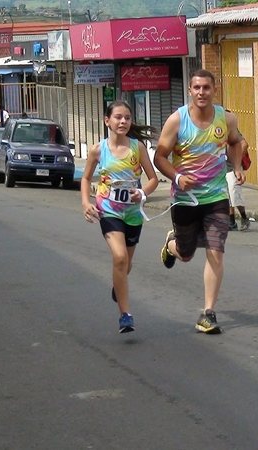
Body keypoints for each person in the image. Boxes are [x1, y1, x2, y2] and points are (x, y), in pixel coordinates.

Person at [154, 69, 245, 335]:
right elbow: (160, 157)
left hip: (217, 197)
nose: (201, 92)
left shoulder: (226, 118)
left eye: (206, 87)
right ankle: (171, 245)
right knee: (186, 253)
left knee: (216, 251)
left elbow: (236, 142)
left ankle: (208, 313)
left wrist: (237, 166)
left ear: (214, 90)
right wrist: (177, 177)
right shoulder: (177, 120)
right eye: (197, 88)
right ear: (190, 91)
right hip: (186, 199)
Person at [81, 101, 158, 333]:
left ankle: (118, 283)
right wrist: (86, 202)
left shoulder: (137, 148)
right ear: (107, 121)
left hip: (133, 213)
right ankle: (125, 315)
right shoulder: (98, 150)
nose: (123, 121)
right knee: (120, 257)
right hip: (109, 210)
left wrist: (142, 193)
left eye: (127, 117)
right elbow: (86, 178)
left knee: (126, 264)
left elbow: (153, 179)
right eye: (118, 117)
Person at [227, 134, 250, 231]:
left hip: (233, 168)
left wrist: (237, 160)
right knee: (226, 195)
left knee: (234, 194)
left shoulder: (232, 131)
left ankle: (244, 217)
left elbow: (244, 144)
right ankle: (231, 221)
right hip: (221, 168)